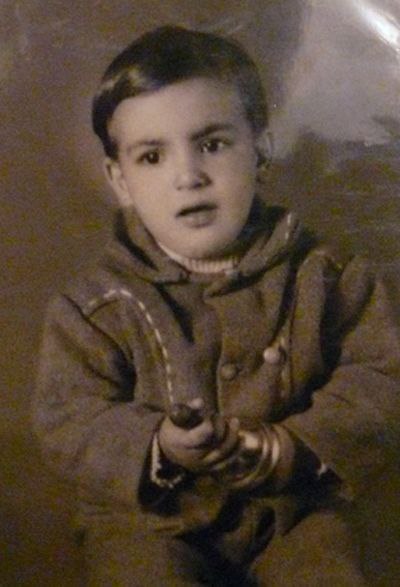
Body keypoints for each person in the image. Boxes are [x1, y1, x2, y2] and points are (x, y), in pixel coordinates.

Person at [33, 26, 400, 586]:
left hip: (293, 512)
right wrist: (159, 445)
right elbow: (69, 417)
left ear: (261, 150)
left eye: (212, 145)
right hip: (149, 523)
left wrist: (292, 446)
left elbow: (380, 377)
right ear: (120, 181)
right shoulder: (93, 307)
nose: (188, 176)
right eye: (152, 156)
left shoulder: (329, 276)